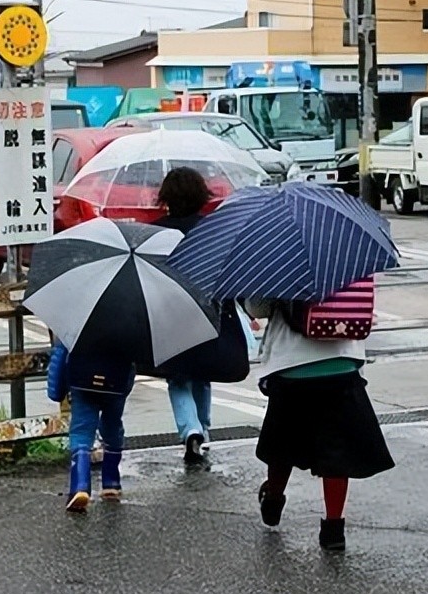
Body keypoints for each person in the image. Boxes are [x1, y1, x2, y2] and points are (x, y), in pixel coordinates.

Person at [244, 298, 394, 551]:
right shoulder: (349, 262)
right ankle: (334, 529)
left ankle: (273, 500)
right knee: (337, 450)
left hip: (290, 364)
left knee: (283, 441)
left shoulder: (279, 263)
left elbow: (257, 308)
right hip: (342, 362)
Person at [153, 168, 215, 464]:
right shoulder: (211, 230)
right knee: (203, 375)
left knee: (178, 378)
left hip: (169, 313)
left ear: (166, 198)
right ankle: (202, 429)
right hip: (206, 311)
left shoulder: (155, 232)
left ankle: (190, 429)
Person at [47, 340, 136, 513]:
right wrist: (125, 388)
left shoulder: (78, 320)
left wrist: (56, 391)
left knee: (81, 432)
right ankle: (111, 482)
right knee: (113, 426)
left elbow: (60, 354)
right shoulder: (129, 322)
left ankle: (80, 486)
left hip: (82, 382)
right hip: (116, 383)